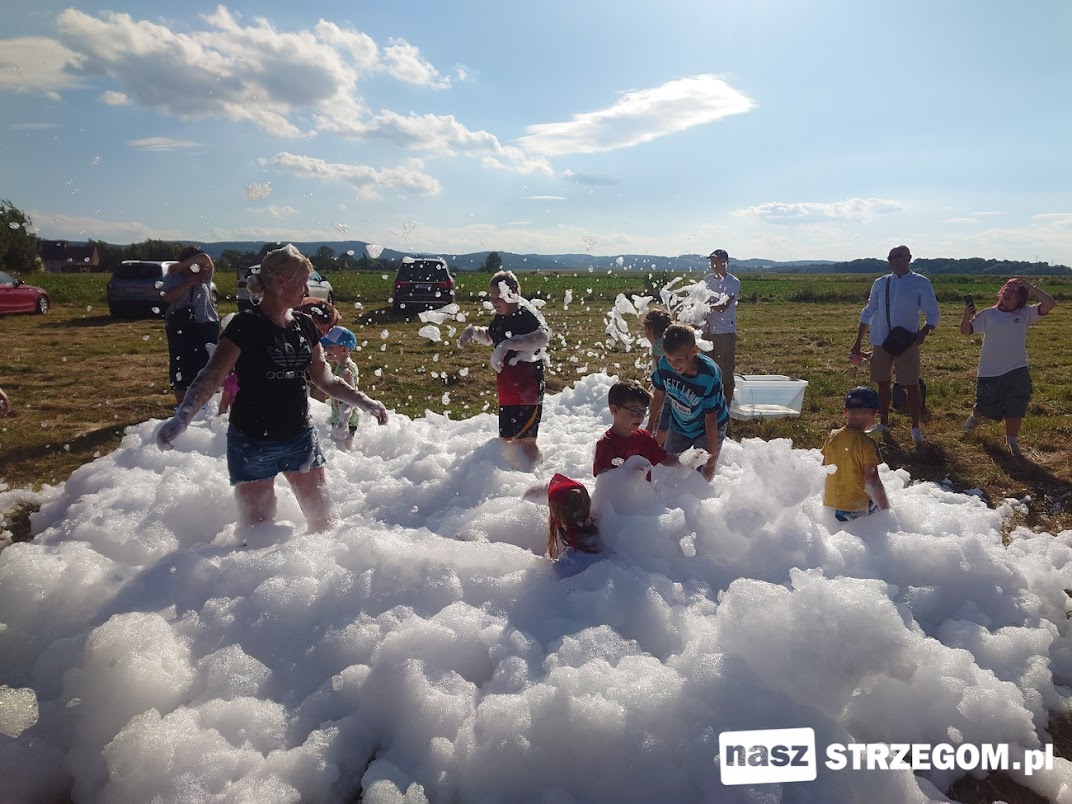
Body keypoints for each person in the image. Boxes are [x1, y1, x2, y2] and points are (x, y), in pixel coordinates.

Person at [156, 244, 388, 532]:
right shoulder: (245, 325)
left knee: (325, 522)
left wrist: (365, 402)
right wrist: (182, 418)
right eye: (303, 282)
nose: (307, 290)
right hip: (252, 441)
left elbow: (325, 379)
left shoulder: (305, 325)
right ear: (280, 282)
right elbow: (212, 376)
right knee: (257, 530)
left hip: (300, 436)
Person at [458, 270, 550, 466]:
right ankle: (511, 474)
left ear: (513, 293)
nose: (493, 302)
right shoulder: (500, 318)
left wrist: (508, 345)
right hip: (508, 390)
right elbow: (490, 337)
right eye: (491, 297)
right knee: (507, 439)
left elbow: (543, 337)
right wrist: (473, 331)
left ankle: (534, 472)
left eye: (497, 297)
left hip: (528, 390)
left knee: (525, 440)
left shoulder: (525, 315)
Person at [851, 245, 940, 444]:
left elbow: (933, 312)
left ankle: (915, 427)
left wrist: (924, 332)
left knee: (911, 384)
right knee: (882, 383)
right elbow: (868, 311)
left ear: (909, 258)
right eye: (891, 257)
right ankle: (884, 423)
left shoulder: (921, 282)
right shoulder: (881, 283)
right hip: (881, 341)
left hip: (907, 342)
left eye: (899, 256)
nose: (894, 260)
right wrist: (857, 342)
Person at [960, 277, 1056, 457]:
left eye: (1013, 291)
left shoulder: (1026, 314)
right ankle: (975, 416)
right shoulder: (988, 314)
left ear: (1021, 298)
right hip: (989, 370)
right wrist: (966, 316)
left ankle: (1011, 442)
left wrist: (1029, 286)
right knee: (986, 406)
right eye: (1006, 288)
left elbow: (1050, 304)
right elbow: (965, 330)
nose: (1008, 292)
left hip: (1017, 369)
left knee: (1016, 405)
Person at [644, 324, 730, 482]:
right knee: (667, 467)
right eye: (669, 359)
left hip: (708, 427)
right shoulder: (664, 364)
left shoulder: (708, 375)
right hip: (680, 423)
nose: (674, 365)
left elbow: (711, 418)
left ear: (694, 351)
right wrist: (650, 426)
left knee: (702, 475)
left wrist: (711, 459)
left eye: (679, 359)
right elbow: (659, 394)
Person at [821, 386, 890, 522]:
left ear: (845, 412)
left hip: (831, 505)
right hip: (856, 508)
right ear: (874, 413)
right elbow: (873, 479)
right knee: (878, 519)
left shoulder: (832, 436)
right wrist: (887, 511)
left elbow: (824, 467)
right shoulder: (866, 443)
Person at [161, 246, 220, 406]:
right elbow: (167, 297)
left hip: (205, 325)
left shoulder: (205, 274)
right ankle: (182, 407)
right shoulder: (173, 276)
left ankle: (204, 407)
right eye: (190, 265)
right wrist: (187, 283)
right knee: (181, 366)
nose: (194, 268)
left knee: (205, 366)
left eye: (195, 264)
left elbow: (205, 258)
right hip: (180, 326)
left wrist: (183, 265)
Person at [593, 380, 678, 477]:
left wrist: (685, 462)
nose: (640, 416)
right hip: (620, 487)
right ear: (614, 410)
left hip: (644, 486)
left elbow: (664, 459)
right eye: (634, 411)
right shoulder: (606, 444)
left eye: (643, 411)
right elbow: (603, 480)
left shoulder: (644, 438)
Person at [701, 249, 741, 407]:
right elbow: (700, 299)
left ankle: (727, 408)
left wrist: (703, 306)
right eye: (712, 262)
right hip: (707, 332)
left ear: (726, 263)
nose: (714, 265)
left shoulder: (733, 282)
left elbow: (724, 306)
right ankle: (711, 405)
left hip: (724, 332)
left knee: (725, 372)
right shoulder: (707, 280)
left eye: (718, 262)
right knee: (707, 371)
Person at [321, 325, 362, 451]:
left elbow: (350, 399)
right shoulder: (341, 366)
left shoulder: (346, 371)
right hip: (340, 416)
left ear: (344, 349)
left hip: (347, 420)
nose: (326, 349)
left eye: (330, 347)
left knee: (345, 449)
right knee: (340, 447)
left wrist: (342, 423)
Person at [641, 308, 673, 445]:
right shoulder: (672, 342)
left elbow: (661, 373)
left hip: (664, 389)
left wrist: (649, 424)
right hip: (676, 387)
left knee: (660, 421)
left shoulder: (657, 346)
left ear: (650, 330)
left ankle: (656, 447)